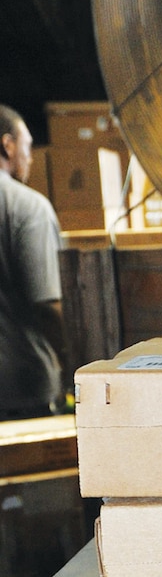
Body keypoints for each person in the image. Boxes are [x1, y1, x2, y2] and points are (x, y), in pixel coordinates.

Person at [0, 104, 65, 419]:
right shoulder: (28, 208)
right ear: (7, 144)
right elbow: (46, 304)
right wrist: (74, 360)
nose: (31, 157)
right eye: (27, 146)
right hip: (21, 388)